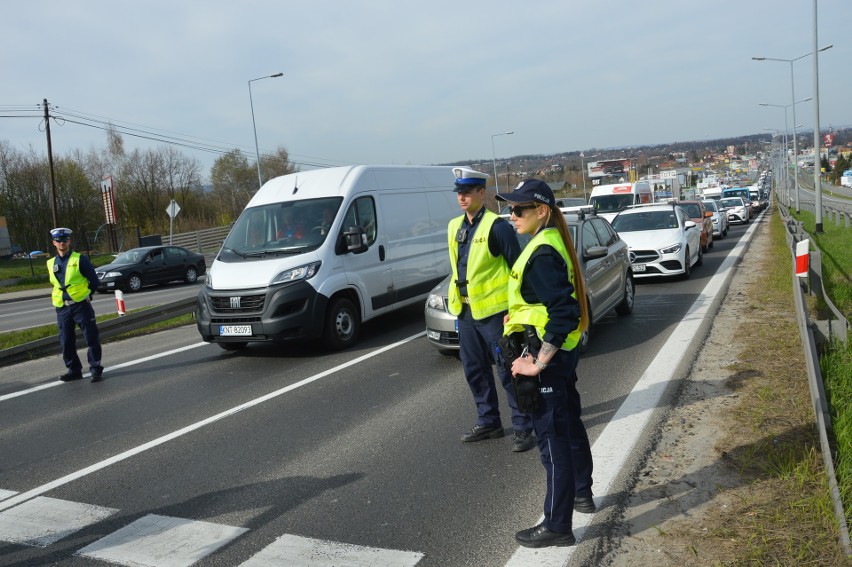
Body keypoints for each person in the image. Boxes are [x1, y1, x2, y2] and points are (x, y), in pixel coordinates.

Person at [496, 179, 595, 548]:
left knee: (552, 445)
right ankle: (581, 494)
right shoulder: (549, 242)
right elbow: (548, 305)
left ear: (542, 211)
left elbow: (564, 312)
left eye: (519, 209)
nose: (512, 215)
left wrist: (537, 363)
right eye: (510, 209)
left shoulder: (541, 253)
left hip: (549, 361)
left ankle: (557, 525)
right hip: (561, 356)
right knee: (568, 429)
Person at [447, 167, 534, 453]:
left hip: (496, 314)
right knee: (474, 370)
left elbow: (517, 269)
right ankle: (489, 422)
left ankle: (523, 426)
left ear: (481, 193)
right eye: (459, 193)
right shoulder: (453, 227)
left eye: (467, 192)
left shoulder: (498, 227)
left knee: (508, 371)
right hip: (466, 313)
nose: (462, 197)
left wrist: (517, 311)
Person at [46, 228, 104, 383]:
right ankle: (74, 370)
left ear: (69, 241)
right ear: (54, 243)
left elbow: (94, 281)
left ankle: (95, 369)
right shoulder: (51, 263)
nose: (62, 243)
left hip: (80, 306)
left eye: (65, 240)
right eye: (59, 240)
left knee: (91, 338)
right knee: (66, 340)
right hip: (62, 308)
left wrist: (86, 296)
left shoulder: (80, 259)